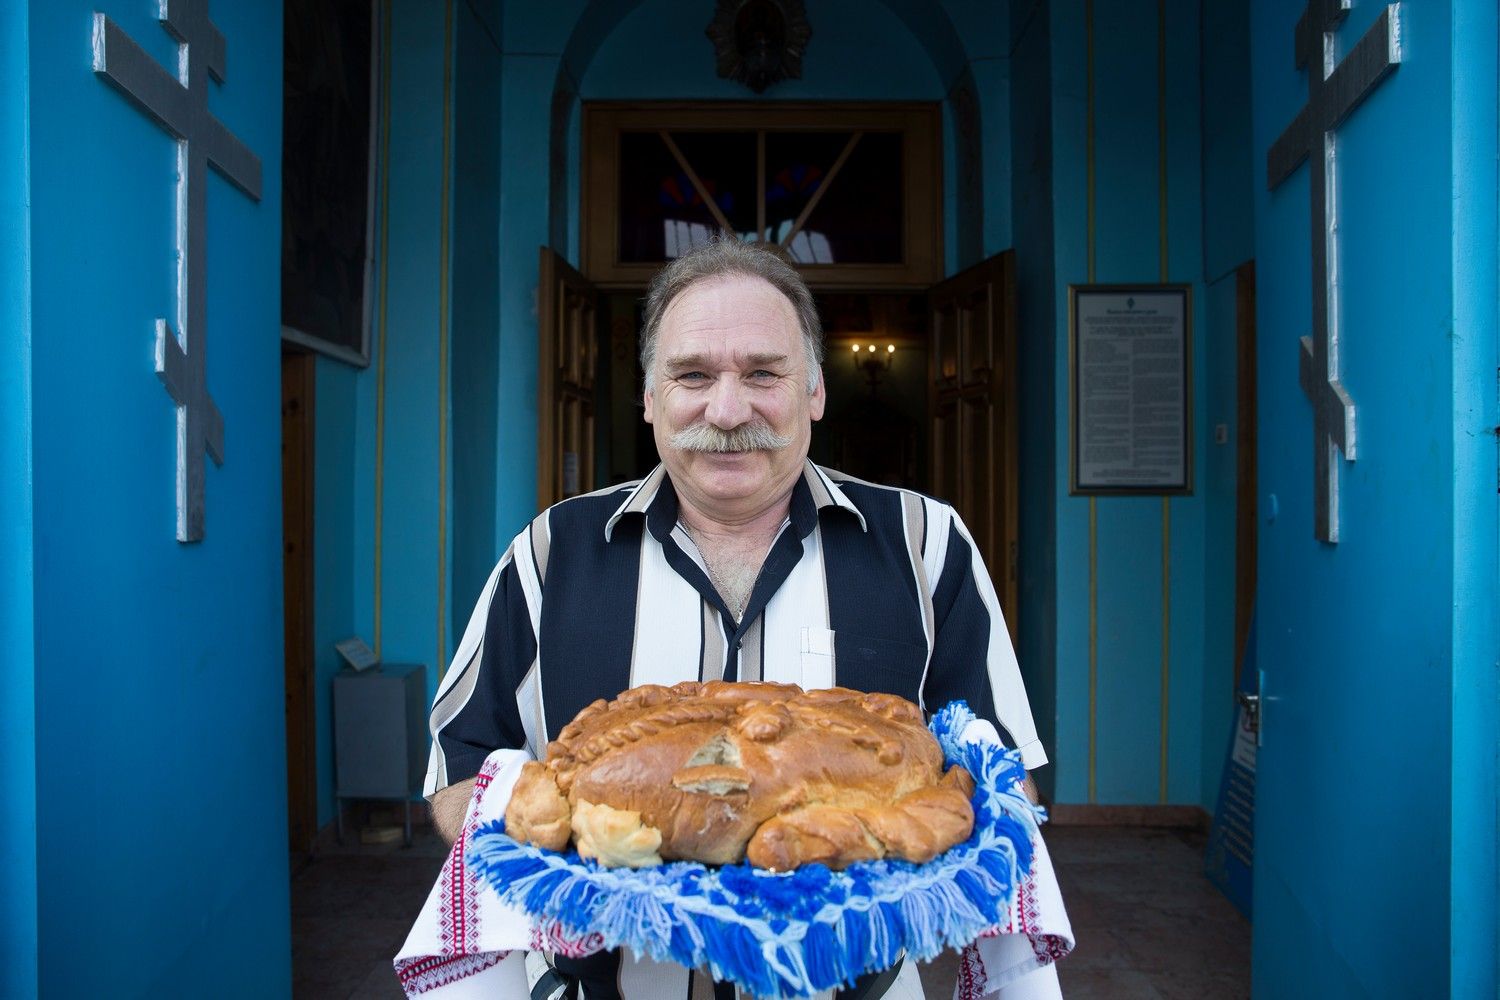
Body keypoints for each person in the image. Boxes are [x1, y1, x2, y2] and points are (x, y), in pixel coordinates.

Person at [420, 238, 1064, 999]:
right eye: (692, 375)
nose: (727, 411)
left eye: (763, 373)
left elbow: (1004, 785)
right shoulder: (551, 552)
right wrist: (567, 870)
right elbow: (458, 775)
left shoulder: (926, 546)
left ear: (816, 390)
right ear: (650, 396)